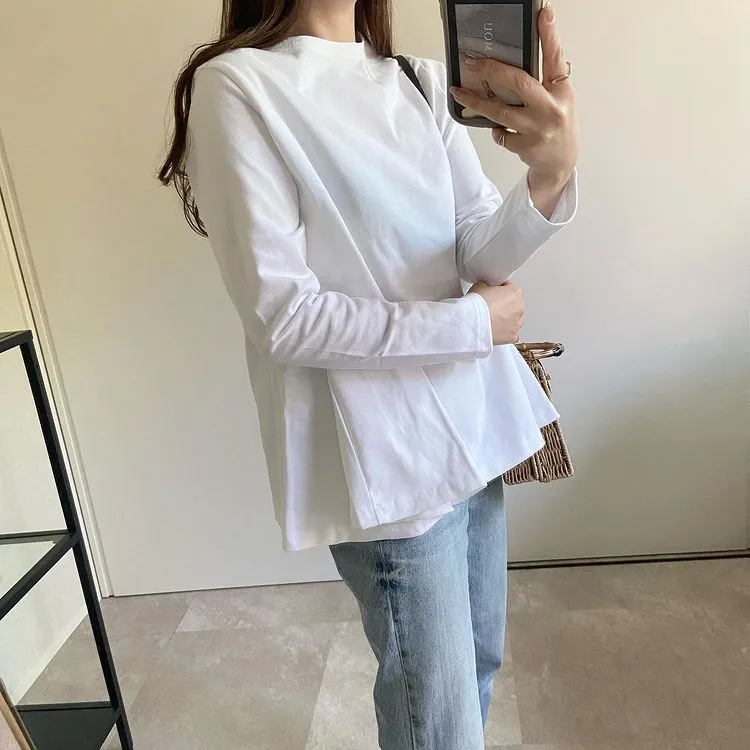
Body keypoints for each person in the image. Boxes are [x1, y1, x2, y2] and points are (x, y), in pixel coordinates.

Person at [159, 1, 578, 747]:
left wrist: (551, 174)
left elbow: (476, 246)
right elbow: (285, 317)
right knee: (438, 723)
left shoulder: (420, 80)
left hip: (471, 428)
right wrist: (471, 324)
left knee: (477, 668)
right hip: (385, 462)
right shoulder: (238, 87)